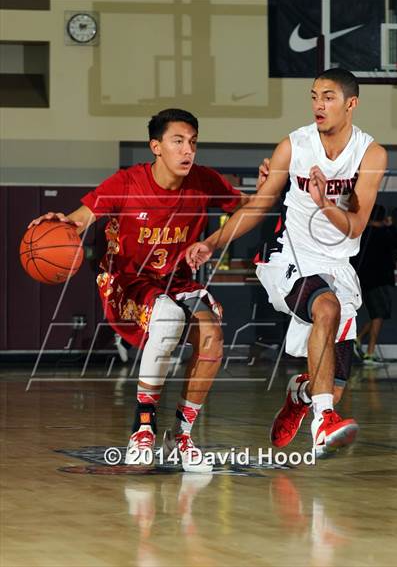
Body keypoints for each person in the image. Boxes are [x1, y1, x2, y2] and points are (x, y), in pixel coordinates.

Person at [28, 108, 254, 472]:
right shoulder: (126, 182)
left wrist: (258, 195)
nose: (187, 151)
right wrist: (62, 223)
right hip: (127, 281)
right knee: (165, 319)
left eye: (193, 143)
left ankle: (181, 436)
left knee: (211, 338)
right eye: (178, 141)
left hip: (175, 279)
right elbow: (81, 217)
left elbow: (248, 208)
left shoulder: (204, 181)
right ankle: (142, 428)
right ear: (156, 146)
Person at [186, 69, 387, 457]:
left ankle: (302, 395)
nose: (318, 105)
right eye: (314, 96)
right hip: (288, 255)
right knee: (325, 307)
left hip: (337, 262)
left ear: (351, 104)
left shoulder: (371, 153)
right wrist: (212, 242)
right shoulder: (294, 146)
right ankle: (324, 420)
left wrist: (324, 202)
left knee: (335, 380)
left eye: (328, 97)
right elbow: (260, 205)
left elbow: (357, 225)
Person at [351, 204, 397, 365]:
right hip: (378, 280)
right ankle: (369, 351)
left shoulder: (360, 232)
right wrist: (390, 227)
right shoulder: (383, 233)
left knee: (379, 313)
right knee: (379, 314)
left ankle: (358, 340)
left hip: (363, 279)